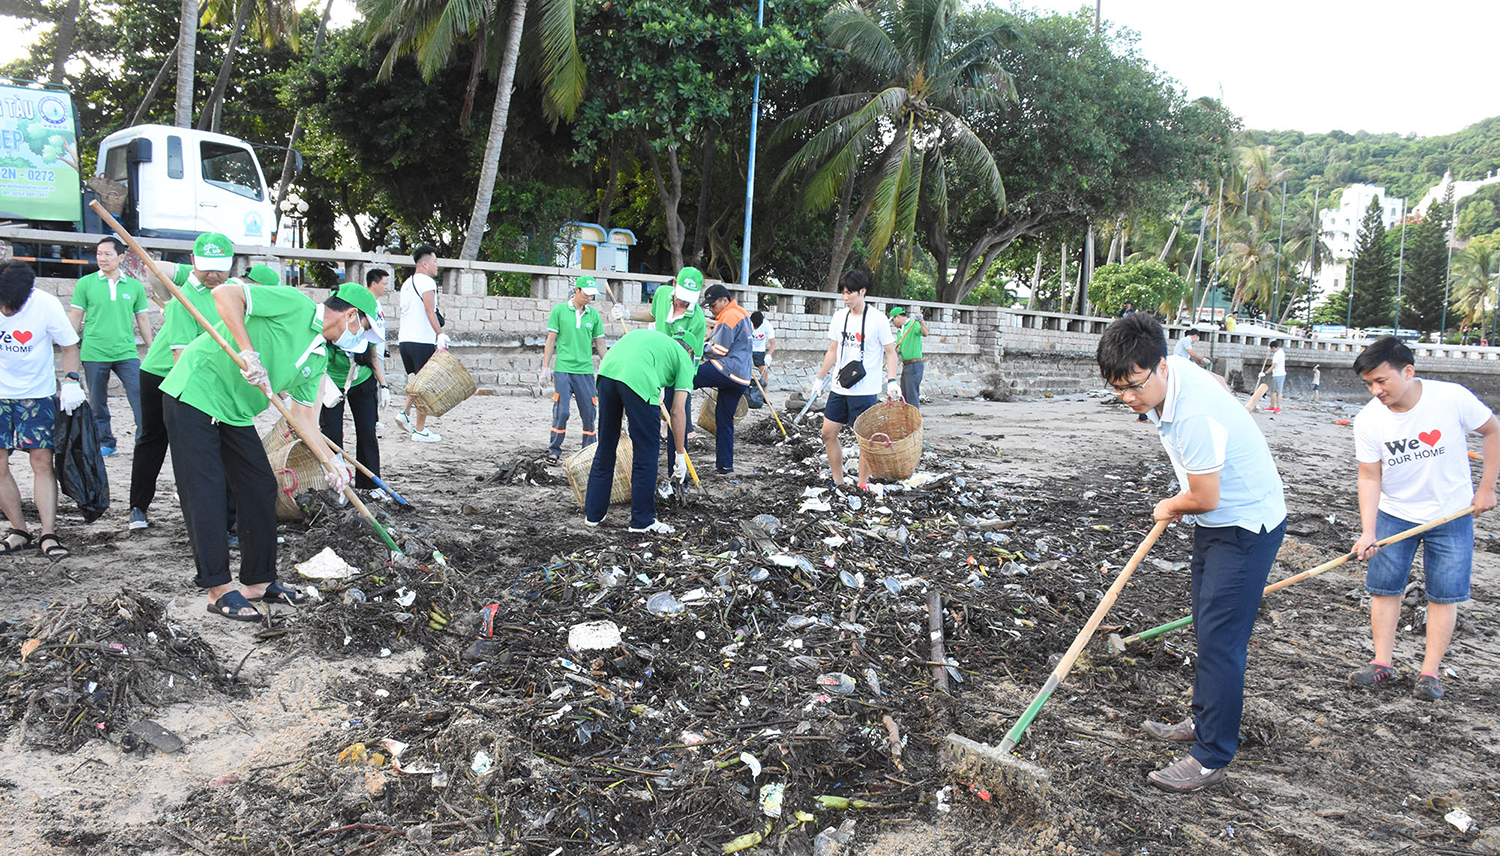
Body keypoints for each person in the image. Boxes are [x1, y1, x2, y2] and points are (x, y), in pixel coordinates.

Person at [1097, 311, 1286, 793]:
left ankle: (1210, 756)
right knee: (1207, 627)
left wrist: (1171, 504)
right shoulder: (1174, 373)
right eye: (1118, 389)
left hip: (1245, 526)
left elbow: (1205, 497)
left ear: (1160, 366)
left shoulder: (1194, 413)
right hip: (1219, 523)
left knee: (1221, 642)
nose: (1129, 398)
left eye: (1134, 386)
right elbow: (1217, 391)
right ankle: (1205, 720)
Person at [159, 276, 373, 622]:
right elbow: (225, 294)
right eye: (362, 327)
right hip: (196, 392)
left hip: (235, 411)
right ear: (350, 315)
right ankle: (218, 589)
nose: (359, 338)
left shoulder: (319, 357)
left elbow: (304, 419)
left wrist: (331, 462)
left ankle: (258, 581)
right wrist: (248, 352)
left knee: (260, 485)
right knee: (206, 490)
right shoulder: (296, 305)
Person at [1348, 337, 1499, 701]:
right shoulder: (1368, 420)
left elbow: (1493, 430)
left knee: (1443, 595)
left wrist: (1486, 489)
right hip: (1395, 514)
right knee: (1384, 590)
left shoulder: (1451, 398)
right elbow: (1369, 477)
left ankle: (1429, 674)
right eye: (1369, 384)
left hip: (1452, 515)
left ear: (1408, 371)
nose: (1376, 390)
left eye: (1381, 380)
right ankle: (1382, 663)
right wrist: (1368, 530)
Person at [127, 233, 238, 531]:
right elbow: (182, 359)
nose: (213, 274)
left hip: (205, 374)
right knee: (152, 439)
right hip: (164, 373)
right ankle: (138, 506)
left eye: (220, 268)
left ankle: (217, 511)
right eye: (206, 267)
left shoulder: (233, 291)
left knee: (199, 446)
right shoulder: (183, 297)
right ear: (192, 262)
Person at [0, 260, 85, 560]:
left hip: (36, 395)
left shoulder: (46, 305)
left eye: (10, 306)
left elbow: (70, 346)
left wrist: (71, 380)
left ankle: (48, 532)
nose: (5, 311)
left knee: (41, 461)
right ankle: (19, 530)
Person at [583, 329, 693, 535]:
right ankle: (642, 521)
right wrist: (680, 455)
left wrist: (625, 416)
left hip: (607, 372)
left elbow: (626, 375)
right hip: (637, 378)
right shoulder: (685, 358)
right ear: (691, 351)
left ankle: (593, 515)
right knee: (646, 453)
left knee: (606, 446)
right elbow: (678, 412)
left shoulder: (657, 342)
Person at [809, 270, 902, 487]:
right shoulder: (839, 317)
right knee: (828, 433)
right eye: (843, 292)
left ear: (862, 292)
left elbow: (890, 352)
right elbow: (833, 350)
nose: (846, 297)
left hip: (865, 390)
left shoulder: (877, 319)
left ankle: (862, 483)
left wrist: (892, 381)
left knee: (865, 441)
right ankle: (838, 481)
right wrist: (819, 378)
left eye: (850, 292)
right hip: (839, 387)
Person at [614, 267, 706, 478]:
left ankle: (678, 472)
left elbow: (693, 359)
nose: (683, 304)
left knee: (678, 418)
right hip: (653, 366)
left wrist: (681, 384)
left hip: (678, 370)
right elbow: (653, 315)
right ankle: (642, 469)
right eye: (681, 297)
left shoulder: (698, 320)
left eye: (689, 300)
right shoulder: (662, 294)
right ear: (674, 284)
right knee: (649, 417)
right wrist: (629, 314)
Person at [68, 237, 154, 457]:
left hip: (126, 352)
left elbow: (143, 319)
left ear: (121, 257)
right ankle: (105, 443)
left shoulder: (134, 286)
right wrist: (68, 343)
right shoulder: (85, 283)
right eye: (99, 253)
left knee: (140, 397)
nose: (102, 258)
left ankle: (144, 442)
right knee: (98, 402)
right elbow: (76, 315)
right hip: (94, 351)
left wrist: (152, 347)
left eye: (107, 254)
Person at [320, 273, 391, 495]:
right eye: (364, 326)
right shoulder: (327, 332)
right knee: (332, 433)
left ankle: (371, 485)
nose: (363, 332)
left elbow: (373, 356)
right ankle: (336, 484)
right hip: (332, 385)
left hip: (361, 381)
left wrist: (384, 386)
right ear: (350, 314)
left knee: (367, 431)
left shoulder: (363, 333)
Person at [543, 275, 607, 464]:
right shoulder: (559, 311)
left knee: (589, 412)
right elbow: (551, 341)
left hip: (585, 371)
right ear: (576, 290)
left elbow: (600, 344)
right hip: (563, 370)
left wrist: (608, 365)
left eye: (592, 295)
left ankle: (589, 450)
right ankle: (554, 450)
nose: (589, 298)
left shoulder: (594, 316)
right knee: (562, 412)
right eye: (586, 294)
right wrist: (545, 368)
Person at [696, 283, 753, 474]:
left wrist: (698, 348)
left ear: (725, 301)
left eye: (713, 305)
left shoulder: (728, 316)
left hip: (727, 370)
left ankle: (674, 418)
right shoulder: (742, 313)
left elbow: (719, 350)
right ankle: (725, 466)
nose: (711, 309)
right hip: (742, 377)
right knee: (724, 419)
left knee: (689, 377)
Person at [395, 245, 447, 443]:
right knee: (425, 386)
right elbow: (429, 310)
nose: (436, 265)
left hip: (405, 339)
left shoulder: (407, 283)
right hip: (421, 340)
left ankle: (405, 412)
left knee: (418, 381)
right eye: (435, 261)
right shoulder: (427, 282)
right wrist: (440, 334)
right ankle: (420, 430)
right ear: (424, 263)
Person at [890, 306, 928, 408]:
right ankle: (906, 416)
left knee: (912, 394)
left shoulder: (913, 324)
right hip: (906, 365)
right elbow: (900, 347)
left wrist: (921, 322)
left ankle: (914, 416)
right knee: (904, 394)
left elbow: (925, 333)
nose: (893, 323)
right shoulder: (900, 331)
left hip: (914, 365)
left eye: (893, 320)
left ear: (898, 317)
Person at [750, 310, 776, 390]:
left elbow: (773, 344)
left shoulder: (767, 325)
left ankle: (763, 393)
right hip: (747, 348)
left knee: (764, 371)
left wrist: (768, 355)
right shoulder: (747, 323)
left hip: (759, 350)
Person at [1266, 340, 1287, 413]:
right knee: (1273, 391)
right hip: (1276, 374)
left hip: (1279, 374)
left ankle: (1278, 407)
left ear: (1273, 348)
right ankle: (1272, 406)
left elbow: (1274, 365)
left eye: (1271, 349)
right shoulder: (1281, 351)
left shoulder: (1277, 354)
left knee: (1278, 391)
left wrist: (1265, 373)